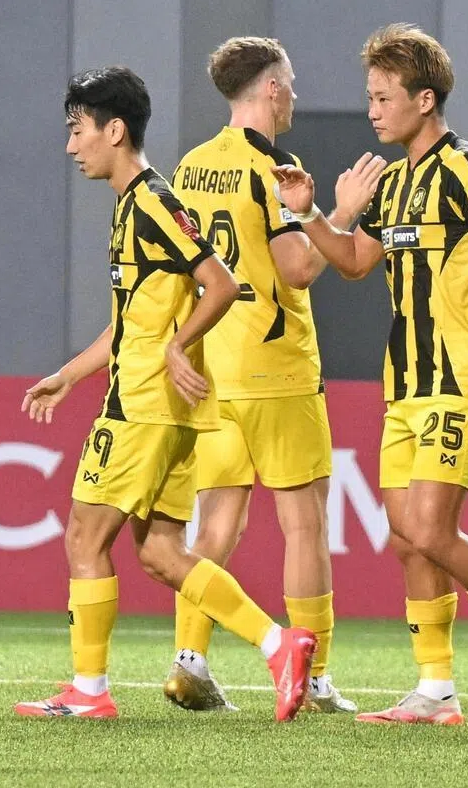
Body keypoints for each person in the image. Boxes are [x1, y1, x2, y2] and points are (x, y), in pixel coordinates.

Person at [270, 24, 468, 725]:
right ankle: (435, 689)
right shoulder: (395, 182)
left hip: (460, 376)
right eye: (369, 96)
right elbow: (354, 262)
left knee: (430, 529)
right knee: (405, 536)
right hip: (403, 384)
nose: (372, 110)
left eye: (383, 96)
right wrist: (309, 212)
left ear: (424, 99)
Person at [13, 66, 316, 722]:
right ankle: (279, 644)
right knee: (160, 552)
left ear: (113, 130)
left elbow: (222, 282)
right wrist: (69, 374)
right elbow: (130, 324)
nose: (72, 146)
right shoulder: (136, 207)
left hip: (143, 406)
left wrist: (179, 347)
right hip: (166, 410)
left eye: (78, 130)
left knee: (83, 540)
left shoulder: (152, 203)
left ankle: (89, 692)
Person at [163, 36, 384, 714]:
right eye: (289, 81)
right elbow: (298, 268)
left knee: (217, 523)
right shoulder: (274, 165)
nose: (295, 93)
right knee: (305, 524)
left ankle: (189, 661)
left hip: (212, 371)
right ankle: (312, 677)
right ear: (268, 89)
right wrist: (343, 209)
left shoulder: (191, 166)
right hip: (276, 368)